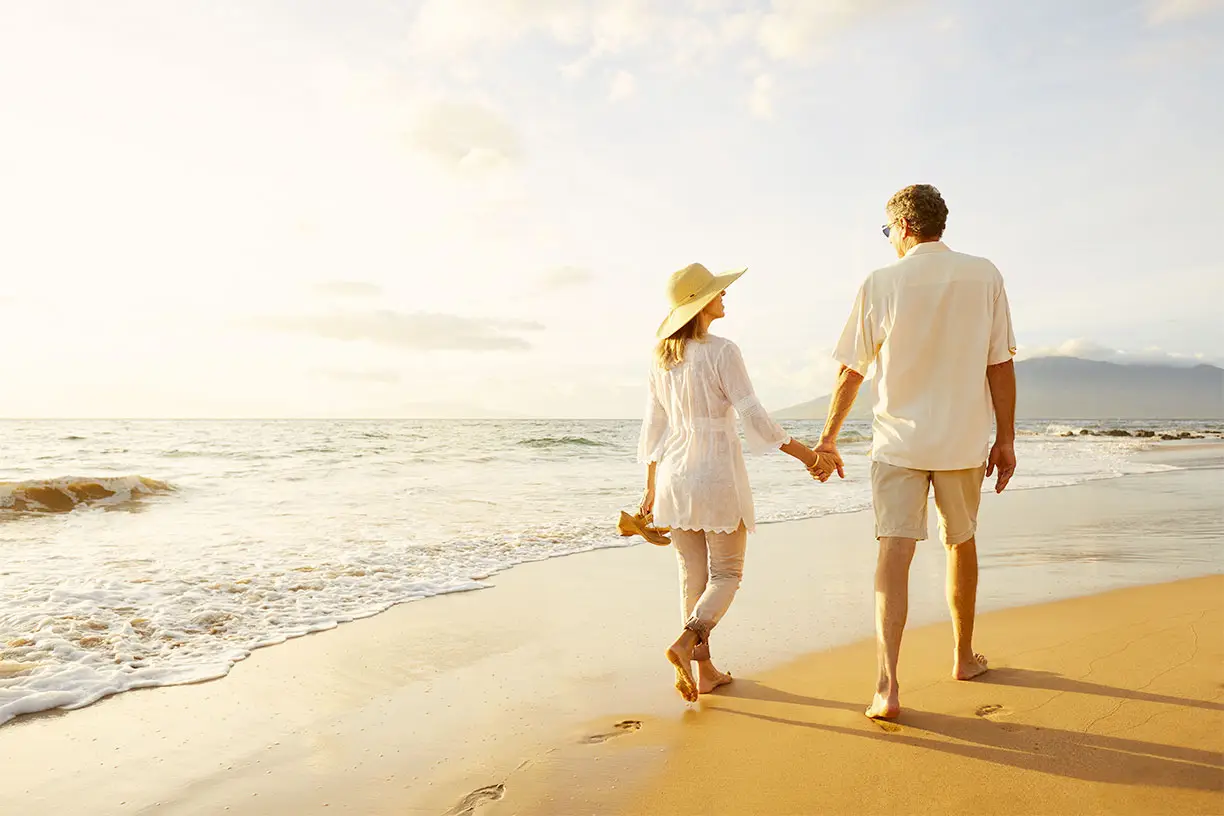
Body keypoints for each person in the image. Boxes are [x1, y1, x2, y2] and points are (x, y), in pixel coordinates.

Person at [810, 184, 1017, 720]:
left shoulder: (881, 282)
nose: (889, 241)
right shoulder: (985, 273)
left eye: (887, 232)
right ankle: (963, 657)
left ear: (903, 228)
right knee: (961, 542)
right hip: (963, 441)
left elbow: (851, 370)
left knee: (893, 554)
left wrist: (829, 437)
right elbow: (1000, 364)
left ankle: (887, 686)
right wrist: (1007, 439)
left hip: (898, 443)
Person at [638, 262, 826, 702]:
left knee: (693, 576)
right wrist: (808, 456)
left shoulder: (661, 356)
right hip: (716, 475)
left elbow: (653, 427)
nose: (725, 297)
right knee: (726, 574)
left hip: (673, 476)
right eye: (718, 293)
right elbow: (753, 415)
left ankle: (703, 675)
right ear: (702, 304)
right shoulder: (722, 351)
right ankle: (688, 641)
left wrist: (649, 486)